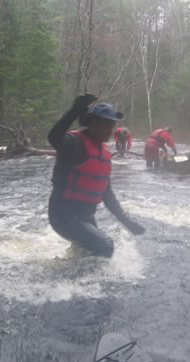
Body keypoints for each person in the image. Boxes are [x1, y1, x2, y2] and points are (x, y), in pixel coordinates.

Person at [48, 94, 145, 258]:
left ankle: (72, 275)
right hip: (63, 215)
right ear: (92, 123)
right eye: (106, 126)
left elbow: (107, 193)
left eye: (112, 127)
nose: (110, 131)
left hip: (84, 216)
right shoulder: (74, 144)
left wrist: (126, 220)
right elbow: (54, 137)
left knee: (89, 252)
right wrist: (74, 111)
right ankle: (86, 282)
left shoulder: (104, 153)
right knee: (106, 246)